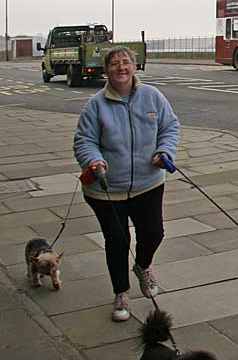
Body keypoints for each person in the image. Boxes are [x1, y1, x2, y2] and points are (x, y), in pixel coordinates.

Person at [73, 46, 180, 322]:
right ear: (106, 69)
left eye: (126, 63)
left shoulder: (153, 96)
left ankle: (142, 267)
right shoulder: (96, 105)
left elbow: (170, 127)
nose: (121, 68)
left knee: (154, 232)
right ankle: (121, 293)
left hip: (148, 183)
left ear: (135, 67)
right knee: (118, 241)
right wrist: (95, 161)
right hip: (106, 188)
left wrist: (164, 152)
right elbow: (84, 141)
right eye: (115, 64)